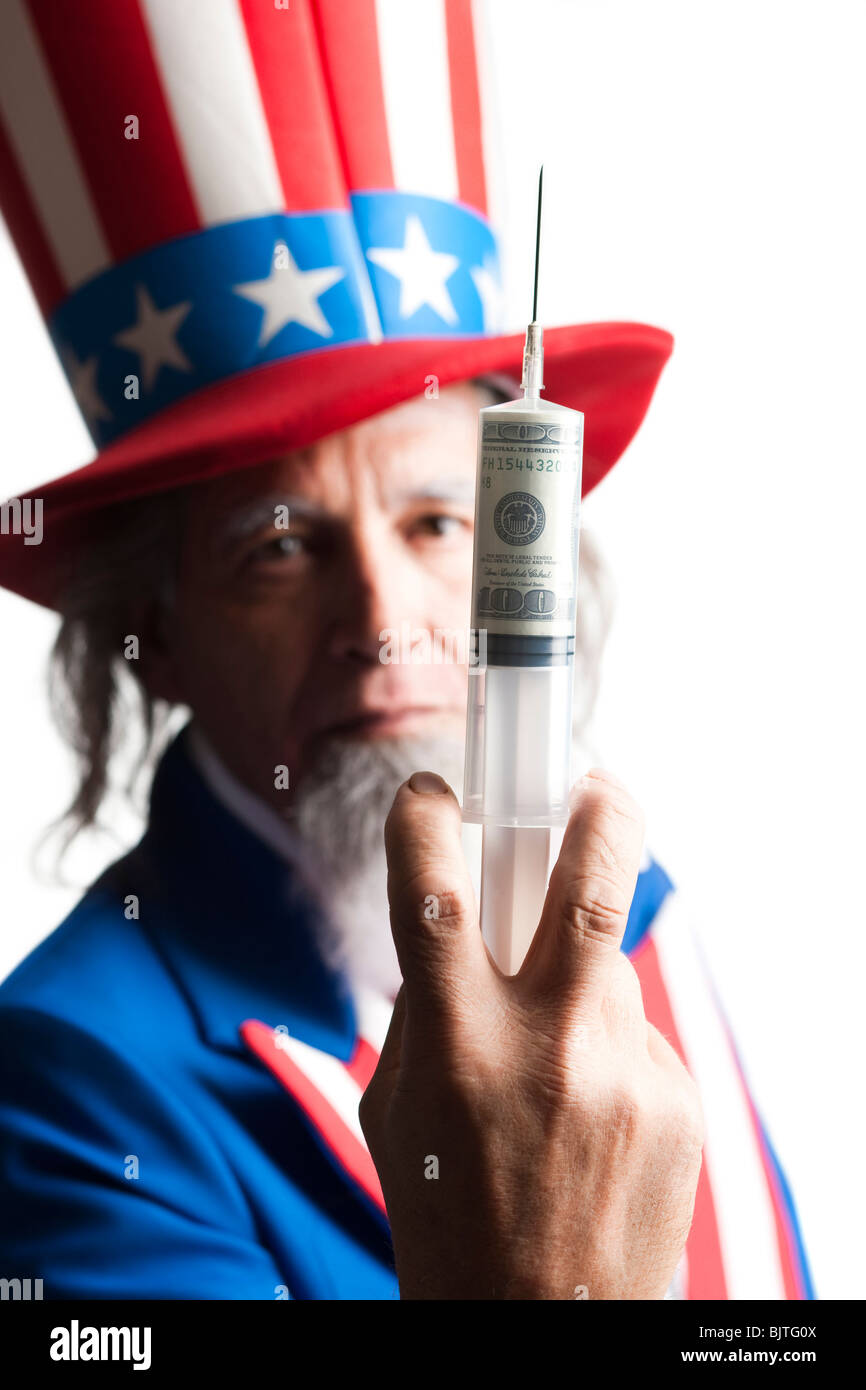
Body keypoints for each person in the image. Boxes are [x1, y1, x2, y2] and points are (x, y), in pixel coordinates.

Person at [0, 1, 811, 1299]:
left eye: (439, 521)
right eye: (279, 545)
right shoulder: (73, 1080)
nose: (383, 619)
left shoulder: (626, 913)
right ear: (149, 634)